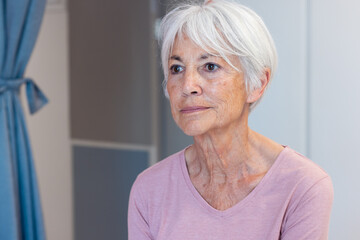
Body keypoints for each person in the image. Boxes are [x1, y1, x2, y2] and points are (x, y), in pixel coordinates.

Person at [128, 0, 333, 239]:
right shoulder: (149, 189)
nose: (187, 86)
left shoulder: (303, 186)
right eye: (177, 69)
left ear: (257, 84)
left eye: (210, 66)